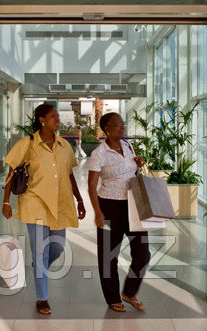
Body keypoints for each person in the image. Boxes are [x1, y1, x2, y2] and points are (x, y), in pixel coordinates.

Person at [2, 103, 87, 315]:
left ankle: (39, 268)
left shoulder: (64, 146)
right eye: (53, 116)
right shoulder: (28, 143)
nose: (58, 119)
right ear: (42, 120)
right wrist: (5, 201)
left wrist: (80, 199)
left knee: (57, 247)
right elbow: (12, 172)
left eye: (58, 116)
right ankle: (42, 298)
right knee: (40, 251)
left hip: (60, 203)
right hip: (35, 202)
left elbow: (69, 175)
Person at [87, 112, 150, 312]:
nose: (123, 128)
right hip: (109, 206)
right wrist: (97, 212)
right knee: (108, 255)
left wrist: (138, 164)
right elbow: (91, 185)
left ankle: (129, 292)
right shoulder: (99, 154)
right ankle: (113, 297)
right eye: (118, 125)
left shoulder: (128, 146)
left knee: (143, 253)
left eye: (123, 124)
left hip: (132, 204)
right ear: (107, 129)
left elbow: (133, 173)